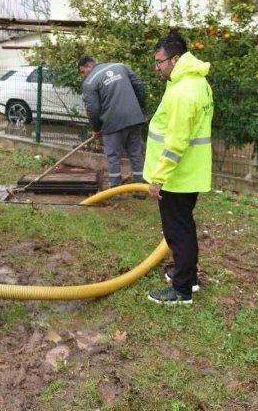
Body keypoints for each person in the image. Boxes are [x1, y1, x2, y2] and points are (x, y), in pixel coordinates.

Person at [144, 32, 213, 305]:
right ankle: (187, 276)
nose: (157, 66)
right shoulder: (197, 82)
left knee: (178, 231)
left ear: (175, 59)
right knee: (184, 227)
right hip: (190, 172)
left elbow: (176, 141)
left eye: (160, 61)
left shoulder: (184, 91)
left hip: (177, 176)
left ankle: (182, 290)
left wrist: (158, 178)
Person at [78, 56, 146, 191]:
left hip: (113, 122)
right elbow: (138, 85)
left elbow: (93, 109)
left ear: (87, 67)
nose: (83, 75)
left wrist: (96, 128)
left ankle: (115, 190)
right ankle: (140, 189)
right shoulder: (120, 66)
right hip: (134, 117)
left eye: (82, 72)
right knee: (135, 153)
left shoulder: (90, 82)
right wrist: (138, 107)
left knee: (113, 156)